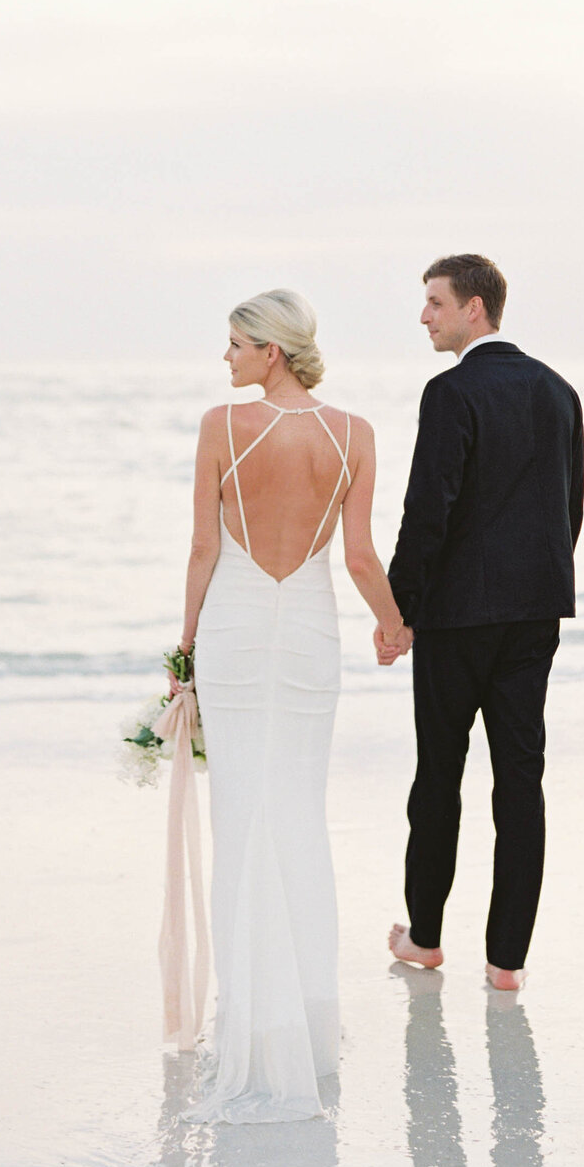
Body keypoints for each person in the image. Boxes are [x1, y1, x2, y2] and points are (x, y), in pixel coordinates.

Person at [177, 289, 405, 1122]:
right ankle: (306, 1028)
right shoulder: (355, 435)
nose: (226, 358)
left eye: (236, 343)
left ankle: (250, 1022)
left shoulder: (220, 427)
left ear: (272, 351)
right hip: (309, 632)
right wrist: (393, 622)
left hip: (237, 629)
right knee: (299, 812)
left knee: (243, 813)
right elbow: (359, 554)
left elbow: (206, 545)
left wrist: (184, 647)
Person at [378, 254, 584, 991]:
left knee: (439, 773)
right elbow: (571, 511)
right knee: (520, 781)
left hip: (458, 617)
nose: (425, 315)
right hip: (535, 612)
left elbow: (426, 509)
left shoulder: (452, 391)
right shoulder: (559, 391)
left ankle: (426, 937)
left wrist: (398, 611)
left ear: (475, 309)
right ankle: (507, 960)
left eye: (435, 302)